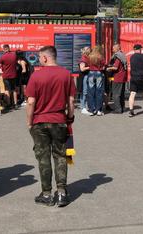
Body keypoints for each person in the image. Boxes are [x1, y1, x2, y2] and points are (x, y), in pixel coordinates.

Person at [26, 46, 76, 207]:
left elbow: (31, 102)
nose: (39, 59)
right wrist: (69, 117)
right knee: (61, 155)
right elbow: (71, 101)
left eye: (40, 57)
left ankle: (46, 193)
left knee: (43, 157)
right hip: (59, 120)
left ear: (45, 58)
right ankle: (62, 192)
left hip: (39, 122)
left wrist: (29, 122)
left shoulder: (36, 75)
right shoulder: (66, 75)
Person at [128, 44, 143, 116]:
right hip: (142, 78)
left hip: (133, 78)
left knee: (132, 93)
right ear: (140, 49)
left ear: (134, 49)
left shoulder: (132, 57)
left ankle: (131, 110)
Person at [107, 43, 128, 114]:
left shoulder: (118, 57)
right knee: (121, 93)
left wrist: (109, 68)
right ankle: (122, 107)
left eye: (113, 48)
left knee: (116, 94)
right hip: (122, 77)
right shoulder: (122, 55)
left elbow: (115, 67)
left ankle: (118, 109)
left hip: (117, 77)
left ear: (117, 48)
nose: (112, 50)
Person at [86, 46, 106, 116]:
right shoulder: (101, 57)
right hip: (98, 73)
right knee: (99, 92)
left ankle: (92, 110)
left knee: (91, 92)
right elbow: (104, 66)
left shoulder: (90, 56)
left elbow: (88, 64)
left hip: (91, 73)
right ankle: (99, 110)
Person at [0, 44, 19, 110]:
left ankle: (9, 104)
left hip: (6, 75)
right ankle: (15, 104)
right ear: (9, 48)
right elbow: (16, 62)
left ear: (4, 49)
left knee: (7, 90)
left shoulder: (2, 57)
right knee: (14, 89)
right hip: (14, 75)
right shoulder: (14, 55)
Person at [78, 47, 91, 115]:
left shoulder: (86, 58)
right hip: (84, 77)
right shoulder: (83, 59)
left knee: (86, 91)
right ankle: (83, 107)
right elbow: (82, 69)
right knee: (84, 92)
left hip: (86, 76)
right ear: (86, 52)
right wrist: (90, 67)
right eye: (89, 50)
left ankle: (84, 106)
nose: (90, 51)